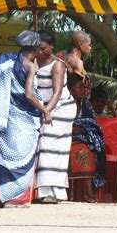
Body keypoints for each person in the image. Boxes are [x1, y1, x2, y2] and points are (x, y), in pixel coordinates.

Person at [0, 31, 52, 208]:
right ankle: (14, 199)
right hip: (22, 120)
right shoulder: (30, 66)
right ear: (36, 49)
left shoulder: (7, 61)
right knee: (21, 157)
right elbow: (29, 95)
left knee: (0, 158)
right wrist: (45, 110)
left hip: (4, 116)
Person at [34, 30, 77, 204]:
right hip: (44, 109)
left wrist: (47, 112)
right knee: (44, 147)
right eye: (37, 48)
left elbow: (58, 92)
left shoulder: (57, 65)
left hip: (59, 109)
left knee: (50, 147)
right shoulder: (33, 61)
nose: (40, 51)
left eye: (43, 48)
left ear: (51, 47)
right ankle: (45, 191)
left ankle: (51, 192)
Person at [67, 74, 107, 202]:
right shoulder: (64, 104)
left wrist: (84, 130)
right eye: (80, 87)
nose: (85, 90)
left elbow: (92, 124)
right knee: (84, 150)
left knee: (90, 148)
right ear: (70, 90)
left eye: (85, 87)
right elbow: (60, 125)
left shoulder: (87, 105)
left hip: (84, 139)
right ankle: (88, 194)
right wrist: (73, 130)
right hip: (64, 138)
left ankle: (89, 193)